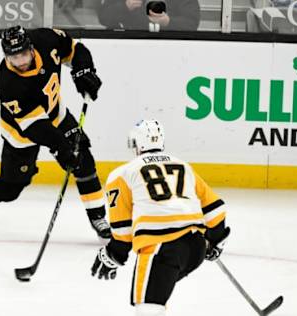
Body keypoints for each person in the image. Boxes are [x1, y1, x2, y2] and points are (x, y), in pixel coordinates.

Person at [0, 26, 111, 240]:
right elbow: (36, 128)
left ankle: (98, 217)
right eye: (14, 57)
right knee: (10, 189)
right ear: (6, 55)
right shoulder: (8, 83)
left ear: (31, 47)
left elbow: (75, 49)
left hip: (57, 114)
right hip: (22, 134)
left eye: (24, 54)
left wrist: (84, 71)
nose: (21, 62)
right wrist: (62, 148)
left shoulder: (46, 39)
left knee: (84, 160)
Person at [91, 120, 230, 315]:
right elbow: (216, 210)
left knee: (148, 309)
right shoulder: (183, 166)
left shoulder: (122, 174)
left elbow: (123, 233)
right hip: (195, 247)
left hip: (161, 249)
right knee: (158, 294)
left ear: (137, 145)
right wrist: (214, 241)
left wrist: (112, 256)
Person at [97, 0, 200, 32]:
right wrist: (125, 6)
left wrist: (168, 22)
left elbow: (192, 24)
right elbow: (104, 17)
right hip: (127, 48)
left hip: (168, 50)